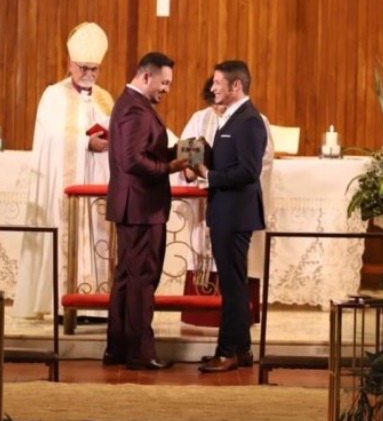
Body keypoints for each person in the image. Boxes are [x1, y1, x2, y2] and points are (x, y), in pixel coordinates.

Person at [14, 22, 116, 319]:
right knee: (66, 232)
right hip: (65, 187)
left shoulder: (104, 98)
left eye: (94, 69)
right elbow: (49, 137)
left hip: (97, 182)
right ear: (70, 63)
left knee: (98, 235)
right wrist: (85, 143)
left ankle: (95, 306)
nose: (89, 75)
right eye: (83, 68)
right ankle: (61, 302)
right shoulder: (53, 96)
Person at [103, 52, 187, 370]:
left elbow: (142, 152)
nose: (166, 89)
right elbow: (132, 160)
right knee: (142, 280)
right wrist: (170, 166)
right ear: (146, 77)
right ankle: (139, 352)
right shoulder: (135, 110)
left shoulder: (131, 104)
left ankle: (118, 349)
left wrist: (176, 153)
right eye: (164, 83)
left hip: (134, 206)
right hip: (141, 207)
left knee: (127, 278)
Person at [194, 60, 268, 374]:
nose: (212, 89)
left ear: (236, 86)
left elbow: (249, 170)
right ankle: (242, 349)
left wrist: (210, 176)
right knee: (233, 283)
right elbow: (232, 160)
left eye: (217, 83)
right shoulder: (233, 119)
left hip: (235, 214)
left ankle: (227, 352)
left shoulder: (249, 121)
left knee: (233, 286)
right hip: (227, 212)